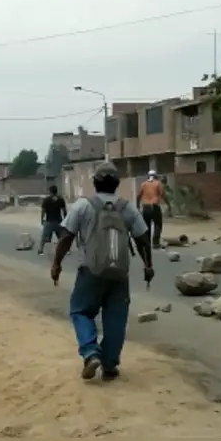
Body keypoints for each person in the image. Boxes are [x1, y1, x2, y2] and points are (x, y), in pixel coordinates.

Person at [51, 162, 152, 382]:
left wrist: (56, 264)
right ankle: (109, 364)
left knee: (80, 311)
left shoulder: (82, 206)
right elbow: (143, 238)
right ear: (117, 184)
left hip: (91, 271)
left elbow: (66, 237)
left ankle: (90, 352)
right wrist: (148, 265)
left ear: (95, 182)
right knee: (116, 319)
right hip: (119, 274)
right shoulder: (127, 208)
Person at [136, 170, 165, 248]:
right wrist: (168, 204)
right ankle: (155, 243)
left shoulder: (143, 184)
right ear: (155, 176)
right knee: (158, 224)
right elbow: (162, 194)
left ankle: (147, 242)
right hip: (154, 206)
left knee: (146, 225)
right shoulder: (158, 183)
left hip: (145, 207)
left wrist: (137, 205)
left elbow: (138, 196)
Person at [38, 185, 67, 255]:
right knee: (61, 237)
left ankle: (41, 250)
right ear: (56, 191)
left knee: (44, 237)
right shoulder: (60, 199)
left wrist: (42, 220)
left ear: (50, 191)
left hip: (49, 222)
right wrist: (65, 220)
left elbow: (43, 211)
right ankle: (66, 250)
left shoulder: (46, 200)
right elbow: (64, 211)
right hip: (58, 221)